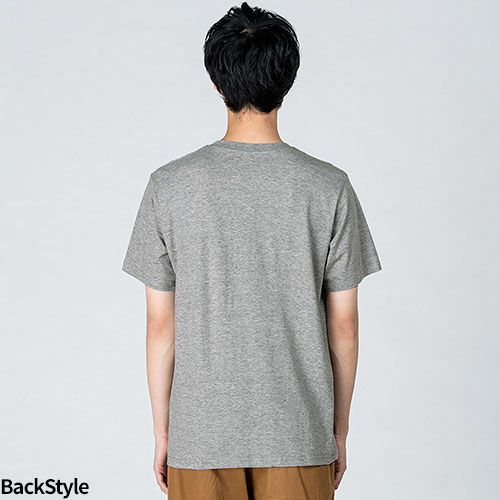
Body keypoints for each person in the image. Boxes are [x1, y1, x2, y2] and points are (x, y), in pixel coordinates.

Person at [123, 3, 381, 499]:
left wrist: (163, 433)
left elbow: (160, 325)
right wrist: (339, 430)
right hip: (298, 434)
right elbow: (344, 324)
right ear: (288, 78)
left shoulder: (169, 186)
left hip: (200, 438)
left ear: (216, 81)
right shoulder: (329, 186)